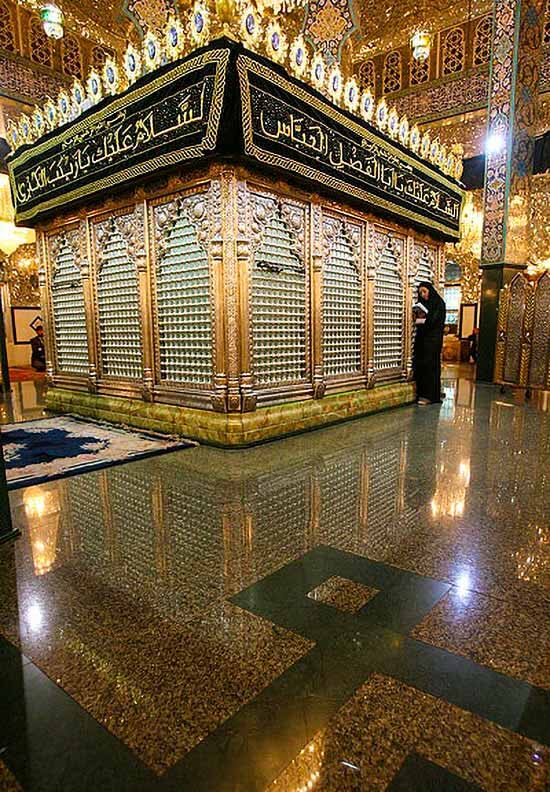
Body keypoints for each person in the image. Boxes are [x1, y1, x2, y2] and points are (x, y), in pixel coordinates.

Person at [413, 282, 446, 405]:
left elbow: (433, 321)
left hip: (433, 340)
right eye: (420, 292)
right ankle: (422, 394)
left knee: (430, 366)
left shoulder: (438, 303)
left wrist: (424, 319)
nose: (423, 294)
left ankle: (430, 396)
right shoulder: (422, 304)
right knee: (421, 366)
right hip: (422, 339)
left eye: (424, 291)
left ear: (430, 291)